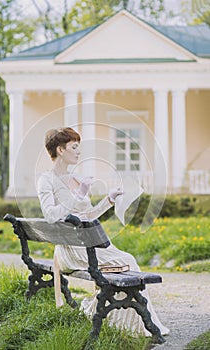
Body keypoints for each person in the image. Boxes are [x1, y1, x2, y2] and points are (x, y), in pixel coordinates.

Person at [36, 127, 169, 337]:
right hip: (71, 249)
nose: (79, 152)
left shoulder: (75, 179)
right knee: (127, 261)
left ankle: (124, 322)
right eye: (74, 147)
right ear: (60, 150)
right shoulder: (47, 180)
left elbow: (87, 215)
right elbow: (51, 216)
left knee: (127, 260)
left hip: (85, 244)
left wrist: (109, 200)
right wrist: (77, 196)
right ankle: (130, 323)